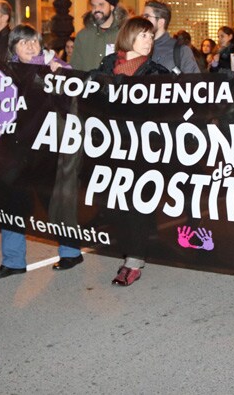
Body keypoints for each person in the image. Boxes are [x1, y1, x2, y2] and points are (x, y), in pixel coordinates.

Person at [0, 25, 81, 279]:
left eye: (34, 41)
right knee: (12, 204)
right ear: (13, 48)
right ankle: (13, 260)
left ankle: (71, 251)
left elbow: (72, 101)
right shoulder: (4, 72)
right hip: (15, 151)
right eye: (23, 42)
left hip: (48, 150)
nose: (30, 46)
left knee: (54, 203)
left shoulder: (54, 67)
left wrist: (60, 77)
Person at [94, 16, 171, 285]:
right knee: (117, 205)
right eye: (143, 36)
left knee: (138, 206)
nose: (149, 41)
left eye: (151, 36)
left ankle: (134, 261)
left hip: (142, 151)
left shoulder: (156, 72)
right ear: (129, 37)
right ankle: (132, 250)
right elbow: (91, 97)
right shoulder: (107, 65)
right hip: (110, 147)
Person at [70, 0, 126, 72]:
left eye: (101, 5)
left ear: (112, 7)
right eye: (93, 6)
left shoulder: (124, 34)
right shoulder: (83, 36)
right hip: (88, 84)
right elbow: (75, 69)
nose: (96, 9)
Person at [141, 0, 200, 74]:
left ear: (161, 22)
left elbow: (193, 82)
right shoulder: (137, 47)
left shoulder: (181, 51)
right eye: (142, 16)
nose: (142, 20)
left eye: (147, 16)